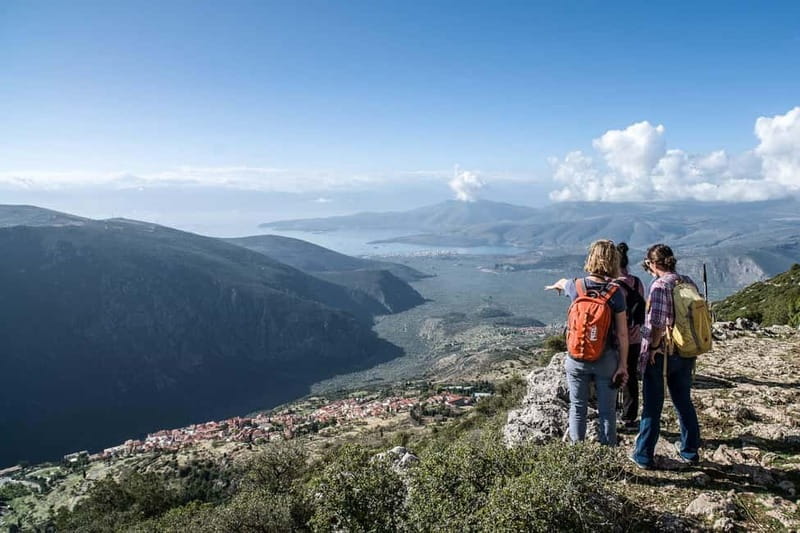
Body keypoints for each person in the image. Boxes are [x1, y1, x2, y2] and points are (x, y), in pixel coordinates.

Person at [545, 240, 628, 446]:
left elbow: (562, 282)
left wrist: (555, 286)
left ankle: (577, 454)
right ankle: (607, 455)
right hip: (606, 359)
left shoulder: (576, 286)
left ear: (591, 258)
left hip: (576, 358)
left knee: (577, 407)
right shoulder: (615, 292)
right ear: (613, 262)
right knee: (607, 411)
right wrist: (623, 365)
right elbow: (622, 334)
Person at [631, 244, 701, 469]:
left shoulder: (660, 286)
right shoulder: (687, 281)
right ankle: (690, 450)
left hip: (662, 354)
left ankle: (643, 455)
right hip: (686, 351)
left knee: (652, 405)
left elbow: (658, 324)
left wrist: (652, 348)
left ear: (652, 263)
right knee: (683, 401)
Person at [615, 242, 646, 430]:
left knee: (612, 376)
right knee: (631, 377)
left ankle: (612, 414)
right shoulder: (637, 282)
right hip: (634, 338)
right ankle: (630, 417)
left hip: (615, 340)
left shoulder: (612, 286)